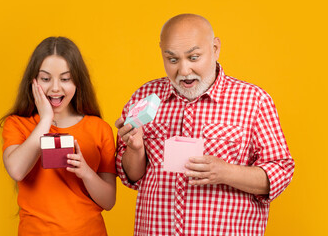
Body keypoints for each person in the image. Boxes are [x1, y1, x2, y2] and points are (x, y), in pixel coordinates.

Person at [115, 14, 294, 235]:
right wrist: (136, 148)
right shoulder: (145, 96)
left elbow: (280, 172)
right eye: (172, 60)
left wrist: (225, 172)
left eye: (194, 57)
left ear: (216, 48)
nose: (183, 70)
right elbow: (132, 176)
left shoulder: (254, 100)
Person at [1, 37, 116, 235]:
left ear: (78, 82)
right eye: (45, 79)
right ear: (33, 81)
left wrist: (85, 172)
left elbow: (109, 201)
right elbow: (17, 171)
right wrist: (46, 119)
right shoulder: (17, 124)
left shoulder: (99, 129)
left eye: (65, 79)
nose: (55, 88)